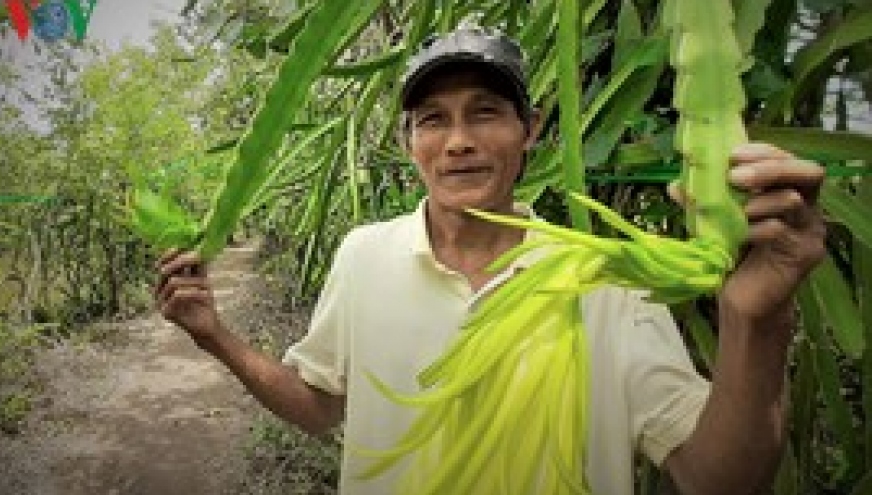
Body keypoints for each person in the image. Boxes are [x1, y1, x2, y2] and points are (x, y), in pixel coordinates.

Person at [155, 28, 827, 495]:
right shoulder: (363, 256)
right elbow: (321, 406)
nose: (458, 143)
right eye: (433, 120)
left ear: (529, 129)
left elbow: (720, 479)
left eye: (485, 113)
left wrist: (756, 321)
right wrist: (216, 336)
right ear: (408, 141)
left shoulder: (607, 279)